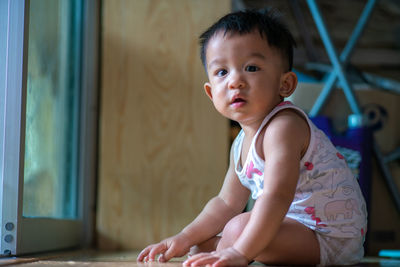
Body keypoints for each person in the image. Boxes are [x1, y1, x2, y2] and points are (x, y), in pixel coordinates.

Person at [137, 8, 367, 266]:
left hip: (328, 237)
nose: (235, 81)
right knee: (198, 244)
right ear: (212, 93)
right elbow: (226, 202)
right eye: (222, 72)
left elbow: (276, 195)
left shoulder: (284, 126)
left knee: (236, 230)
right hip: (291, 227)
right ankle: (224, 246)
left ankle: (232, 248)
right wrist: (182, 236)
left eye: (251, 67)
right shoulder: (240, 143)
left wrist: (240, 252)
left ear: (285, 84)